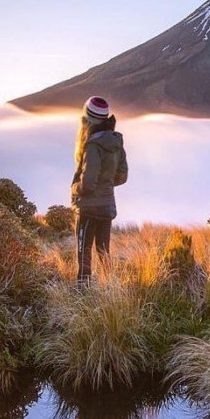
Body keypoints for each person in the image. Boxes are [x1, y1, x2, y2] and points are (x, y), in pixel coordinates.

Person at [71, 96, 128, 283]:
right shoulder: (116, 142)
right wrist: (105, 185)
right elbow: (122, 176)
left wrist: (75, 190)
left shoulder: (93, 145)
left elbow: (88, 182)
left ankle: (82, 293)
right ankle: (110, 289)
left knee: (83, 251)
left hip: (89, 208)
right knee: (104, 252)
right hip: (107, 206)